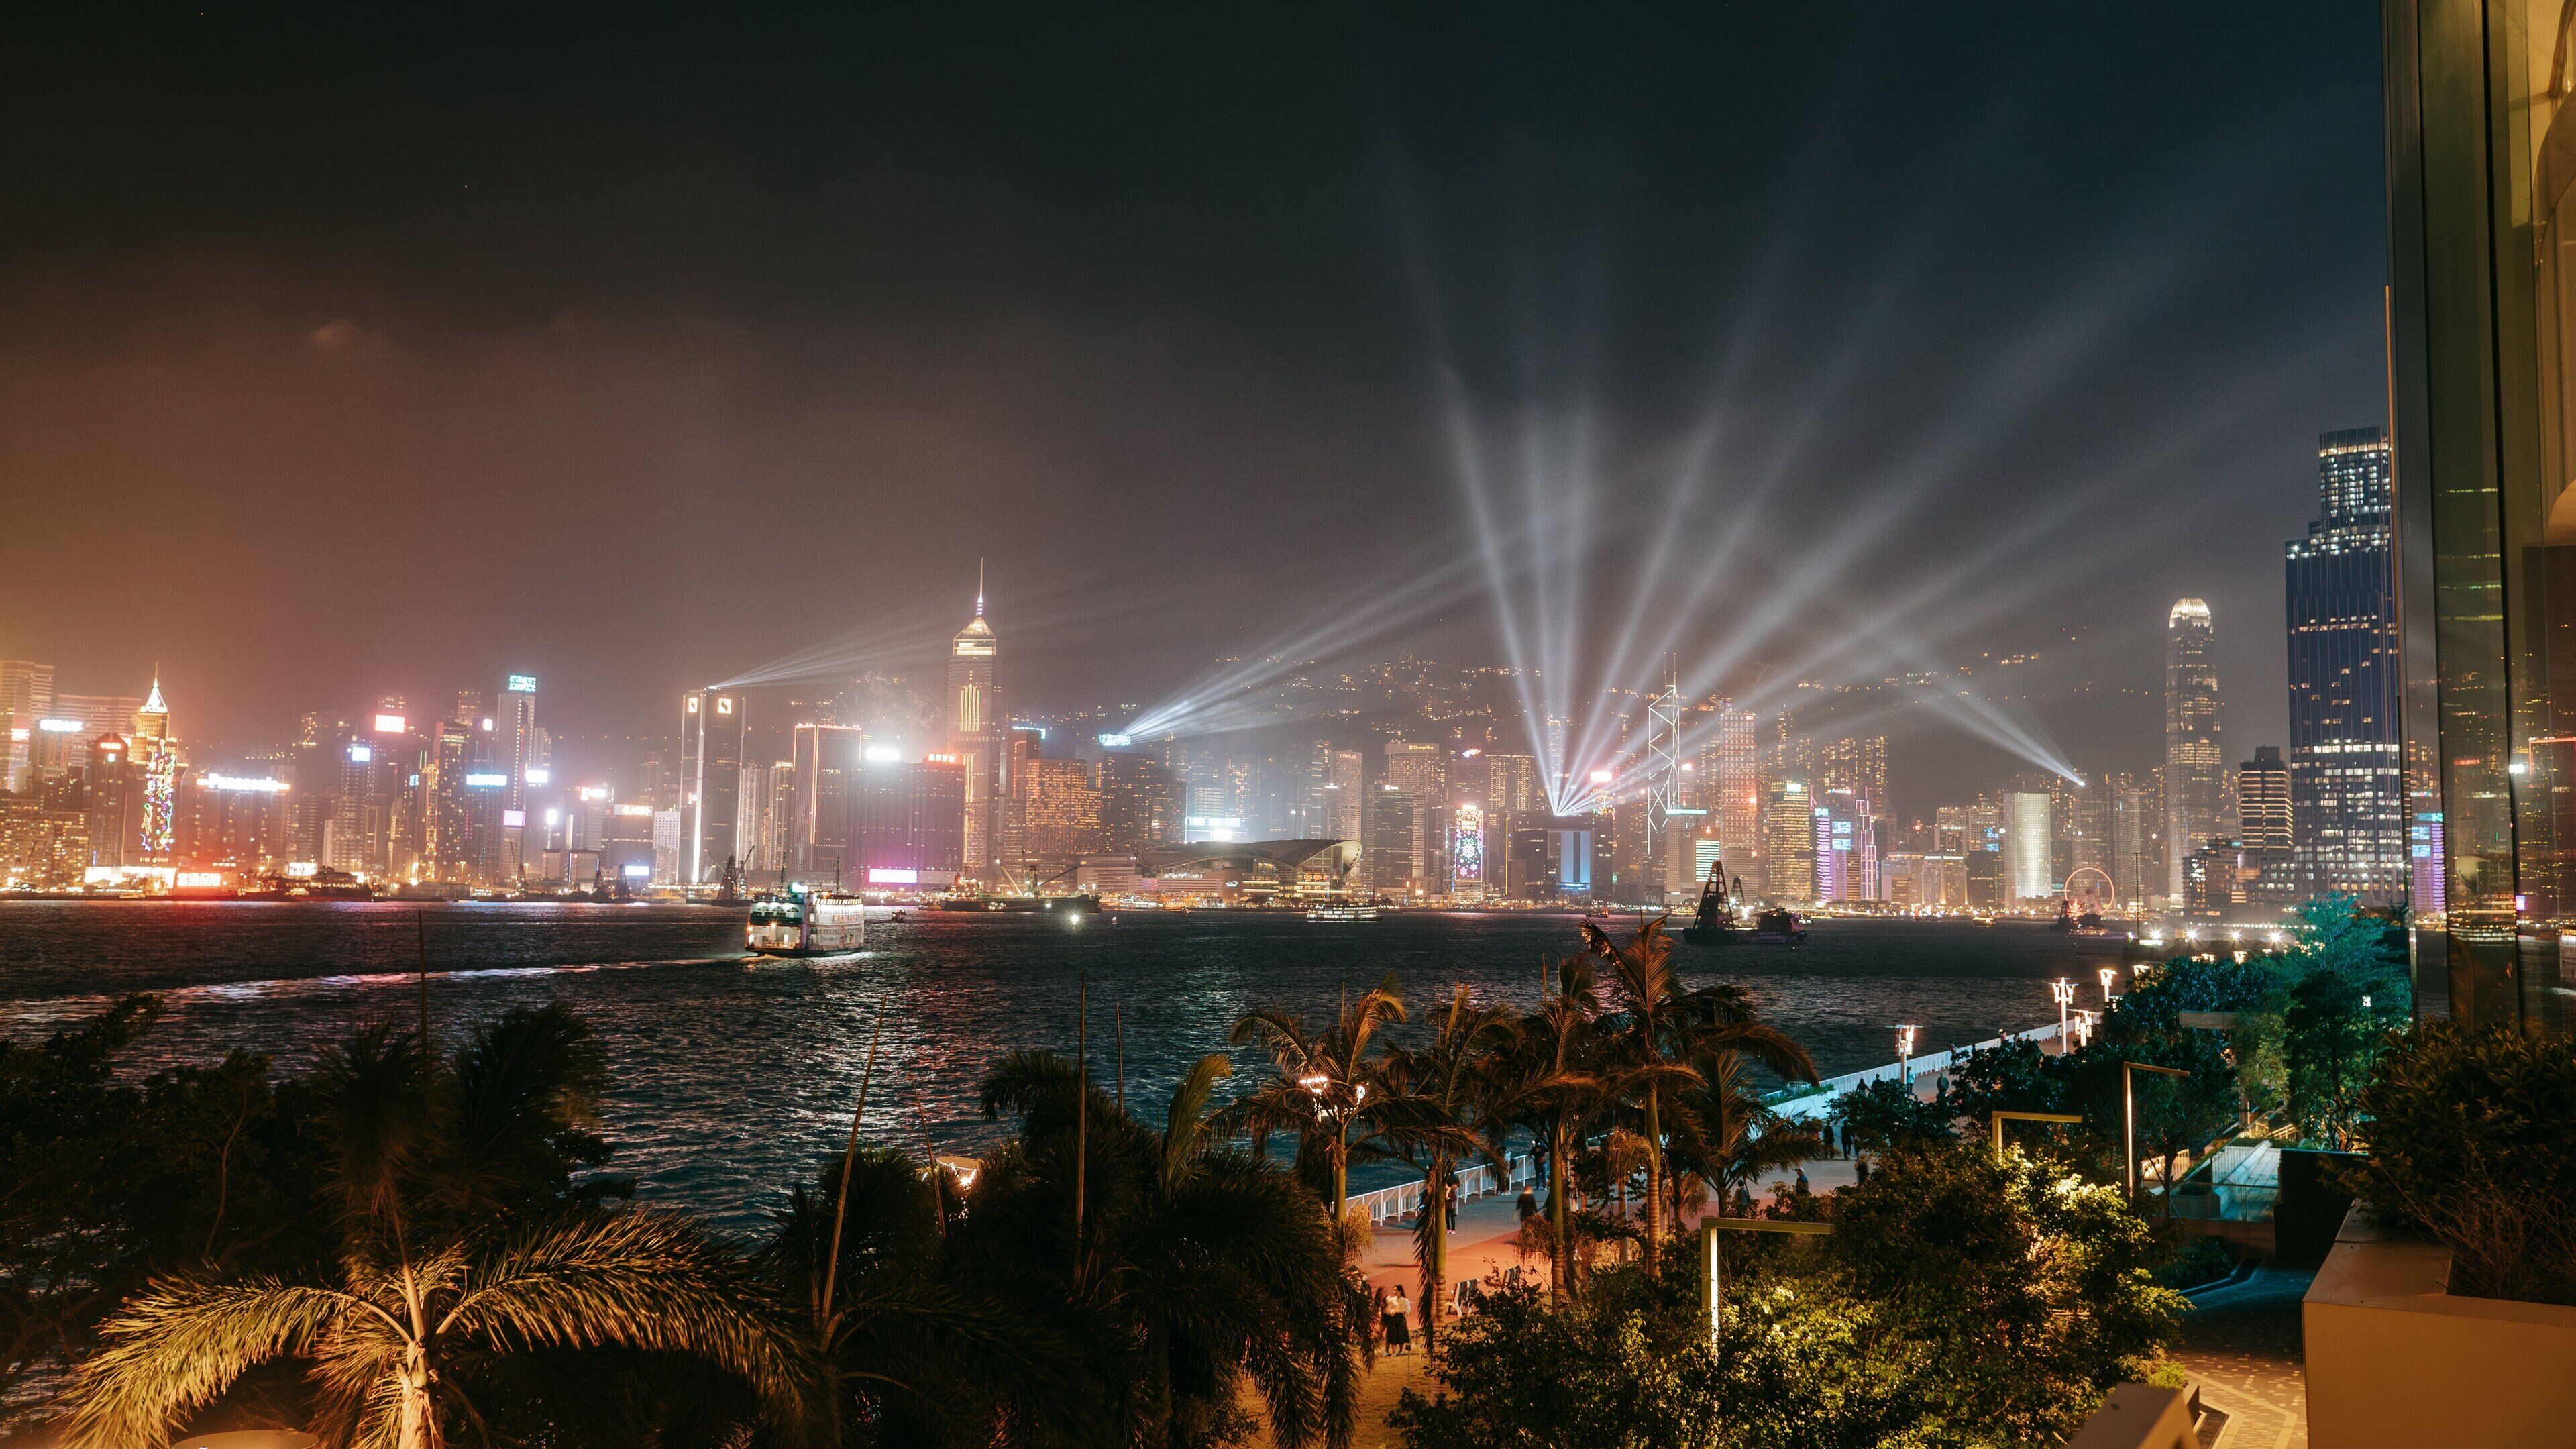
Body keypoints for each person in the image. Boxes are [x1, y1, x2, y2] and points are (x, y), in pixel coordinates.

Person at [1384, 1286, 1412, 1353]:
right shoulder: (1392, 1300)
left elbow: (1407, 1312)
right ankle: (1394, 1352)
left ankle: (1400, 1351)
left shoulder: (1405, 1301)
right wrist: (1391, 1311)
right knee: (1393, 1335)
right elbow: (1388, 1309)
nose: (1394, 1292)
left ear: (1400, 1291)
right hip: (1393, 1319)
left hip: (1401, 1319)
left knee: (1401, 1335)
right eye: (1394, 1290)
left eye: (1396, 1290)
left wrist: (1397, 1311)